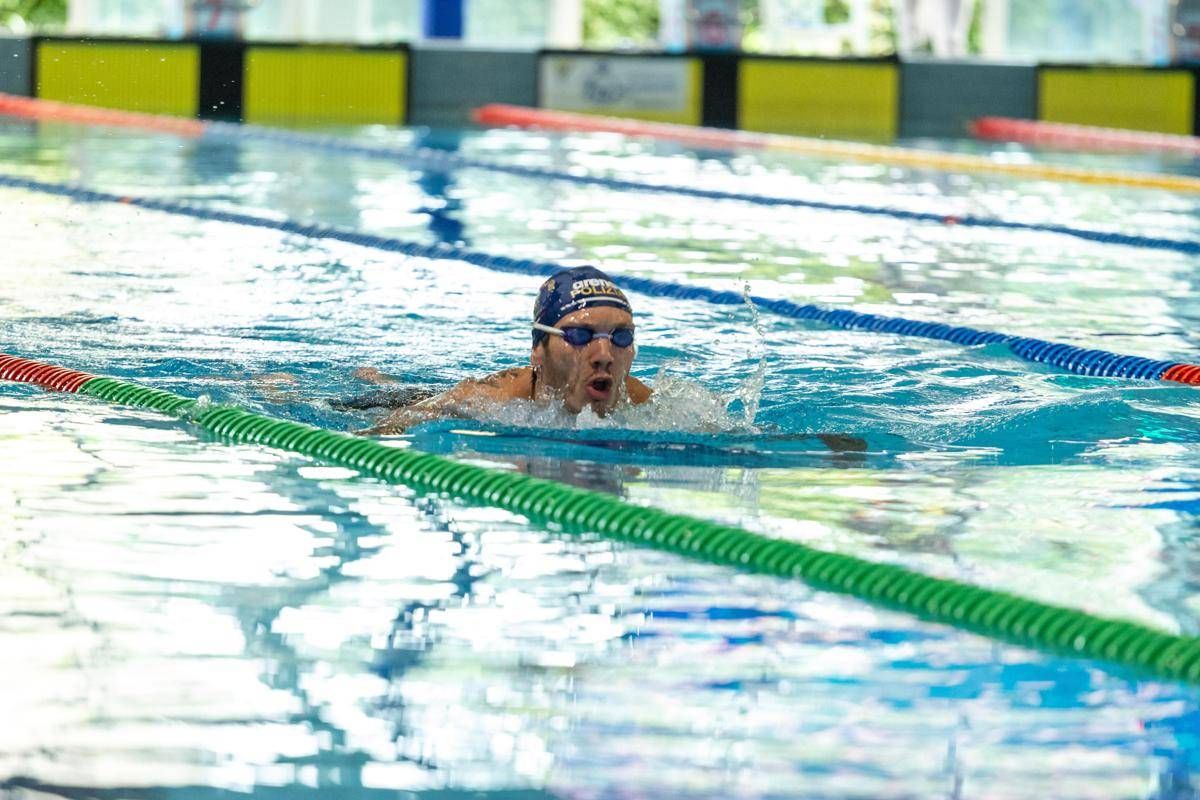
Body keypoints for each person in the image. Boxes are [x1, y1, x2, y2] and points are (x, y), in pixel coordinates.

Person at [361, 266, 652, 434]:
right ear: (538, 349)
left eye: (621, 337)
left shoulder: (644, 404)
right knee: (399, 396)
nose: (604, 355)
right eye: (578, 335)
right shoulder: (493, 400)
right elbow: (392, 426)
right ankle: (381, 382)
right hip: (423, 397)